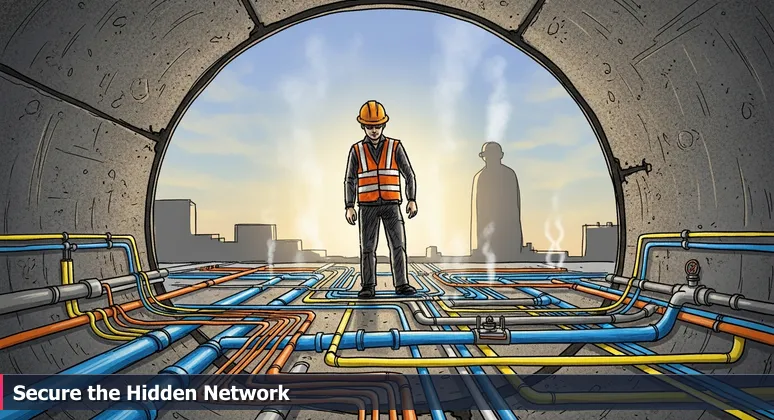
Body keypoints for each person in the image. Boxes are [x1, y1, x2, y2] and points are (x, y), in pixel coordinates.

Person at [344, 100, 418, 298]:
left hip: (392, 205)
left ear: (383, 125)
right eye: (370, 126)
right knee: (367, 248)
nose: (374, 130)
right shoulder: (356, 150)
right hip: (367, 206)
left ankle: (402, 284)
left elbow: (409, 174)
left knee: (398, 246)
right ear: (363, 126)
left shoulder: (395, 146)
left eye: (377, 126)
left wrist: (411, 199)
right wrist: (349, 205)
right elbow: (350, 179)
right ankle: (368, 286)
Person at [470, 141, 524, 261]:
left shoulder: (509, 174)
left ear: (501, 155)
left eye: (492, 154)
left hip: (508, 236)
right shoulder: (481, 176)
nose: (490, 158)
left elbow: (515, 208)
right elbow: (479, 211)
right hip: (487, 236)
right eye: (488, 155)